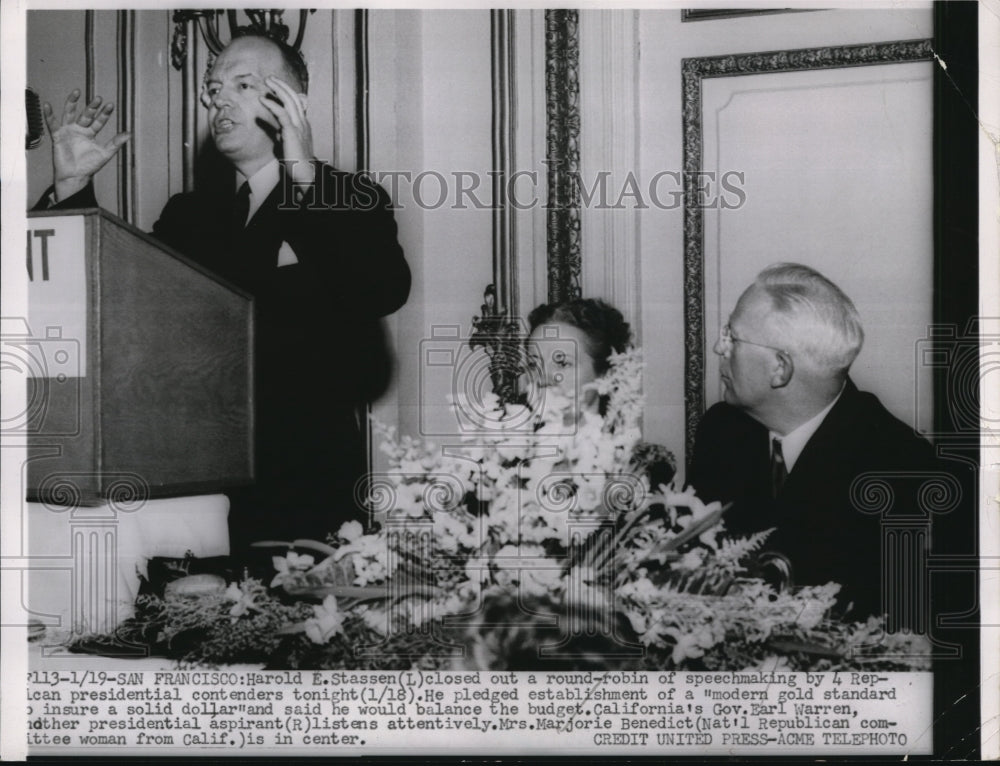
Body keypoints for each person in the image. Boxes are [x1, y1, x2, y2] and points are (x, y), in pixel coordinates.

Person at [37, 31, 411, 557]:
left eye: (243, 84)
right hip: (190, 488)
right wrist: (72, 188)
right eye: (214, 88)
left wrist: (302, 173)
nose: (220, 100)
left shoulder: (347, 197)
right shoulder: (187, 215)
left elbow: (381, 289)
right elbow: (114, 309)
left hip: (306, 491)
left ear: (290, 101)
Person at [688, 263, 938, 619]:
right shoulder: (721, 430)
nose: (718, 347)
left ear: (780, 369)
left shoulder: (900, 466)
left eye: (733, 337)